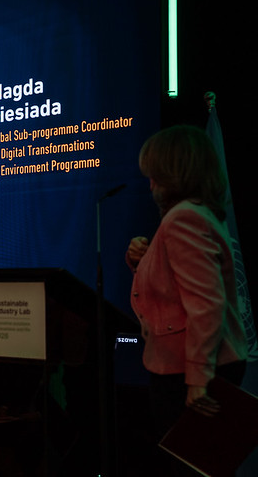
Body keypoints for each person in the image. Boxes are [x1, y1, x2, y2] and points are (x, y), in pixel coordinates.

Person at [126, 124, 247, 472]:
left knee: (191, 466)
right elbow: (177, 289)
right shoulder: (193, 214)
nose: (150, 184)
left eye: (156, 175)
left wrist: (197, 380)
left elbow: (206, 305)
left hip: (191, 372)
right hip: (195, 366)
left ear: (174, 174)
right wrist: (142, 259)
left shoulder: (184, 218)